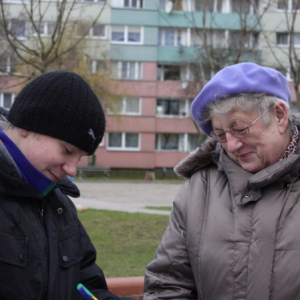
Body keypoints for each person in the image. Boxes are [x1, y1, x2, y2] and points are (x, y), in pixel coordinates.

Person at [144, 62, 300, 300]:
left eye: (240, 128)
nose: (232, 145)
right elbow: (167, 285)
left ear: (279, 116)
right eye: (221, 135)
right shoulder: (198, 191)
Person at [0, 71, 134, 300]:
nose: (72, 170)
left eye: (80, 158)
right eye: (68, 151)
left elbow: (85, 287)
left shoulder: (59, 205)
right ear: (27, 125)